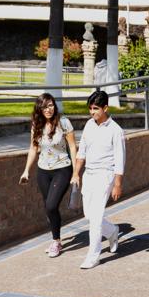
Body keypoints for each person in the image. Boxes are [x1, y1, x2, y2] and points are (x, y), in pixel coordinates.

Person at [20, 94, 80, 258]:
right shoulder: (36, 125)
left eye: (51, 105)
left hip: (62, 169)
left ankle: (55, 242)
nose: (49, 109)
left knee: (51, 206)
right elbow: (33, 148)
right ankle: (57, 239)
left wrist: (75, 173)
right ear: (39, 109)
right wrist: (26, 170)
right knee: (49, 207)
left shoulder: (64, 122)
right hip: (43, 171)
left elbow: (73, 148)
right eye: (45, 106)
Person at [74, 90, 125, 269]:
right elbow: (82, 151)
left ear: (105, 108)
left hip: (105, 175)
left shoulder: (116, 130)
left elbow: (120, 159)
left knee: (95, 218)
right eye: (90, 109)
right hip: (89, 174)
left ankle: (93, 256)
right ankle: (112, 231)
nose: (92, 112)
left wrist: (117, 184)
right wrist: (76, 173)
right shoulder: (89, 125)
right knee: (89, 215)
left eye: (95, 109)